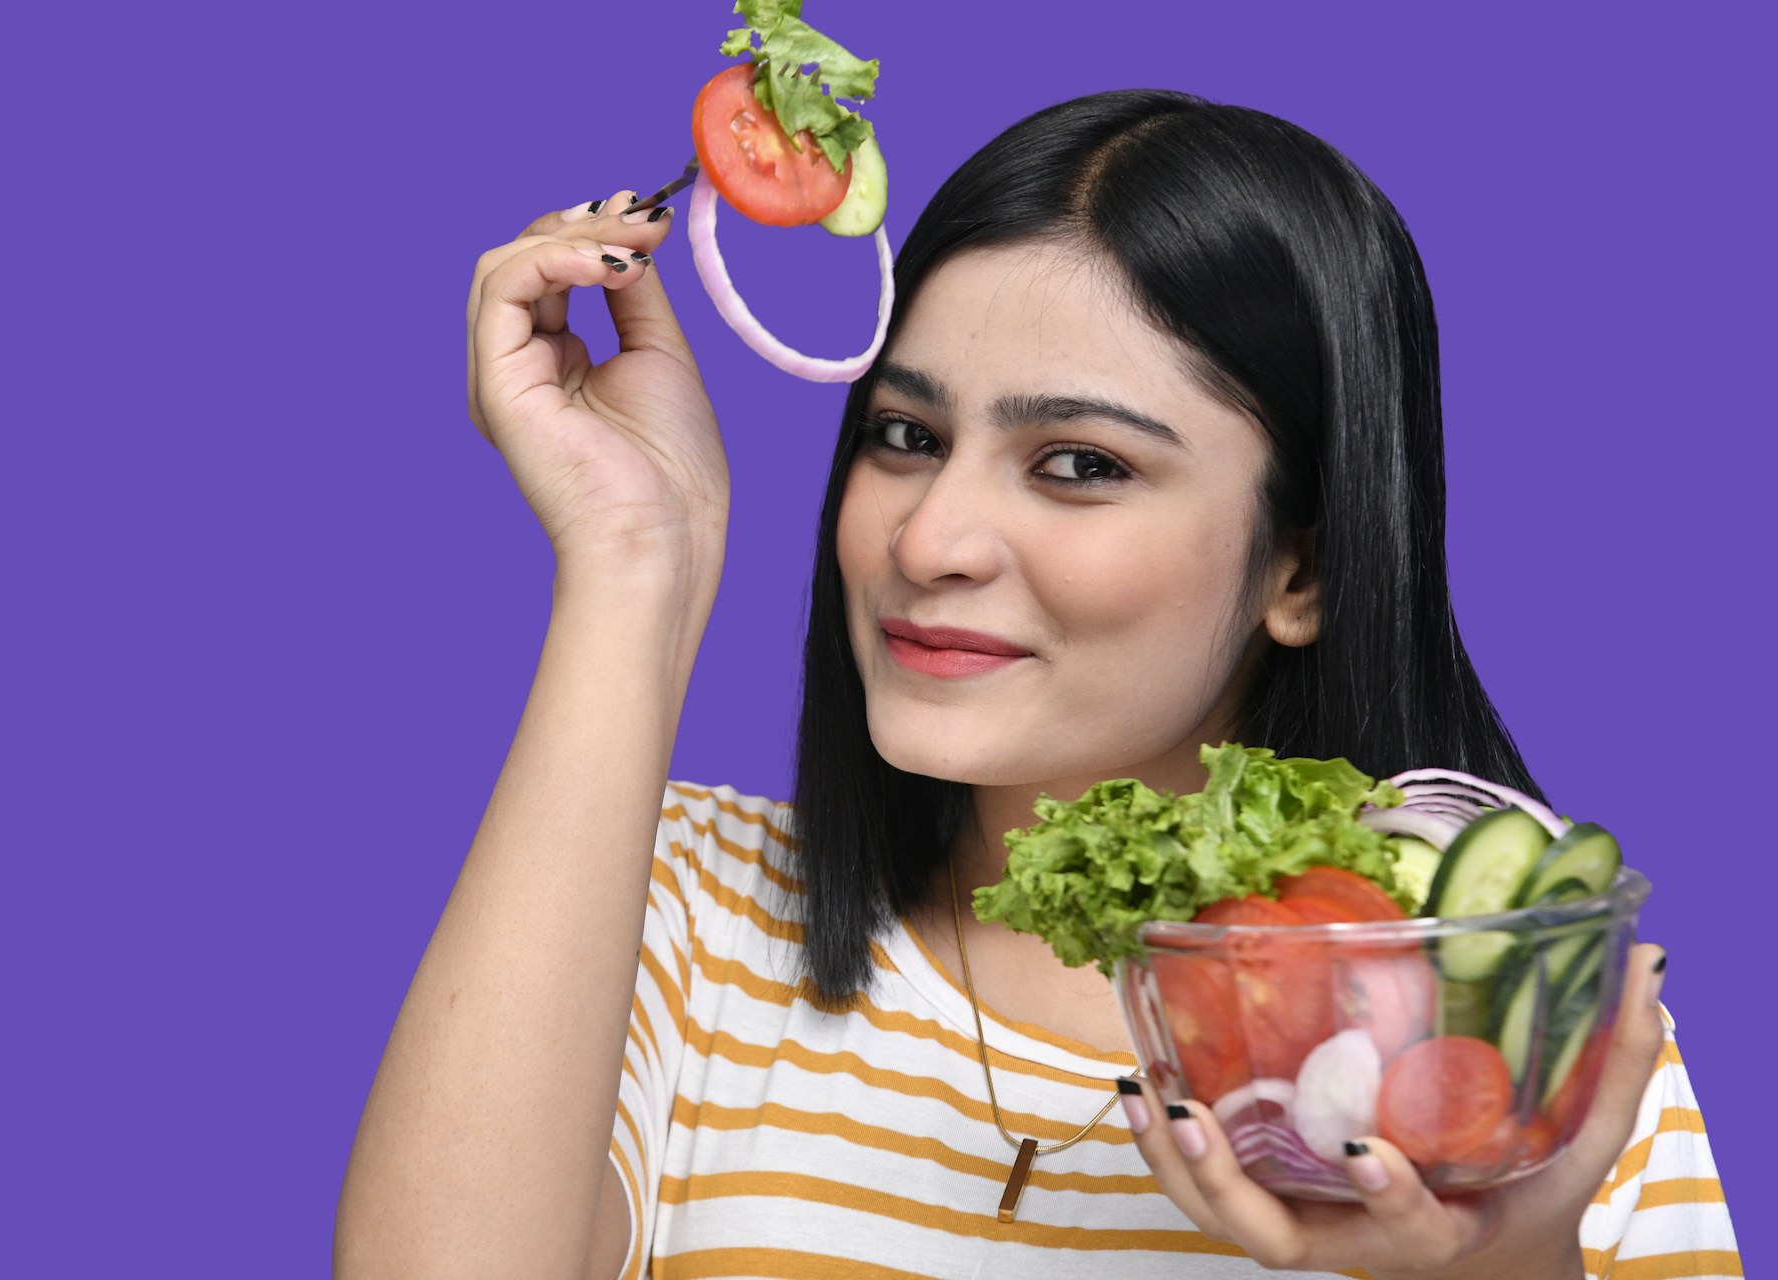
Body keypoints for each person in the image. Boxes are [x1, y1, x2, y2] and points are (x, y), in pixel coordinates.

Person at [334, 90, 1739, 1279]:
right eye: (903, 433)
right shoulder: (675, 908)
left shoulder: (1508, 993)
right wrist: (637, 560)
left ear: (1298, 571)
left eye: (1081, 464)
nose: (928, 541)